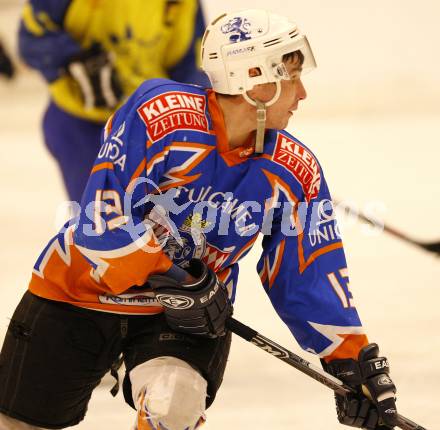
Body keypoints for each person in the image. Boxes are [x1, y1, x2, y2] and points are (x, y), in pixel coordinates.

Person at [0, 9, 399, 430]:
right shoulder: (160, 115)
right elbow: (102, 221)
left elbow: (308, 274)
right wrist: (176, 275)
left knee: (175, 405)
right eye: (292, 77)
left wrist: (351, 360)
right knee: (18, 422)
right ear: (255, 82)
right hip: (78, 292)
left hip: (184, 317)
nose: (302, 94)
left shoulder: (295, 171)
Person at [18, 0, 210, 203]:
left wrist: (193, 117)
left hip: (149, 124)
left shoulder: (184, 4)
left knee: (166, 221)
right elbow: (31, 40)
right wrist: (74, 59)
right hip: (81, 125)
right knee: (96, 221)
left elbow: (189, 67)